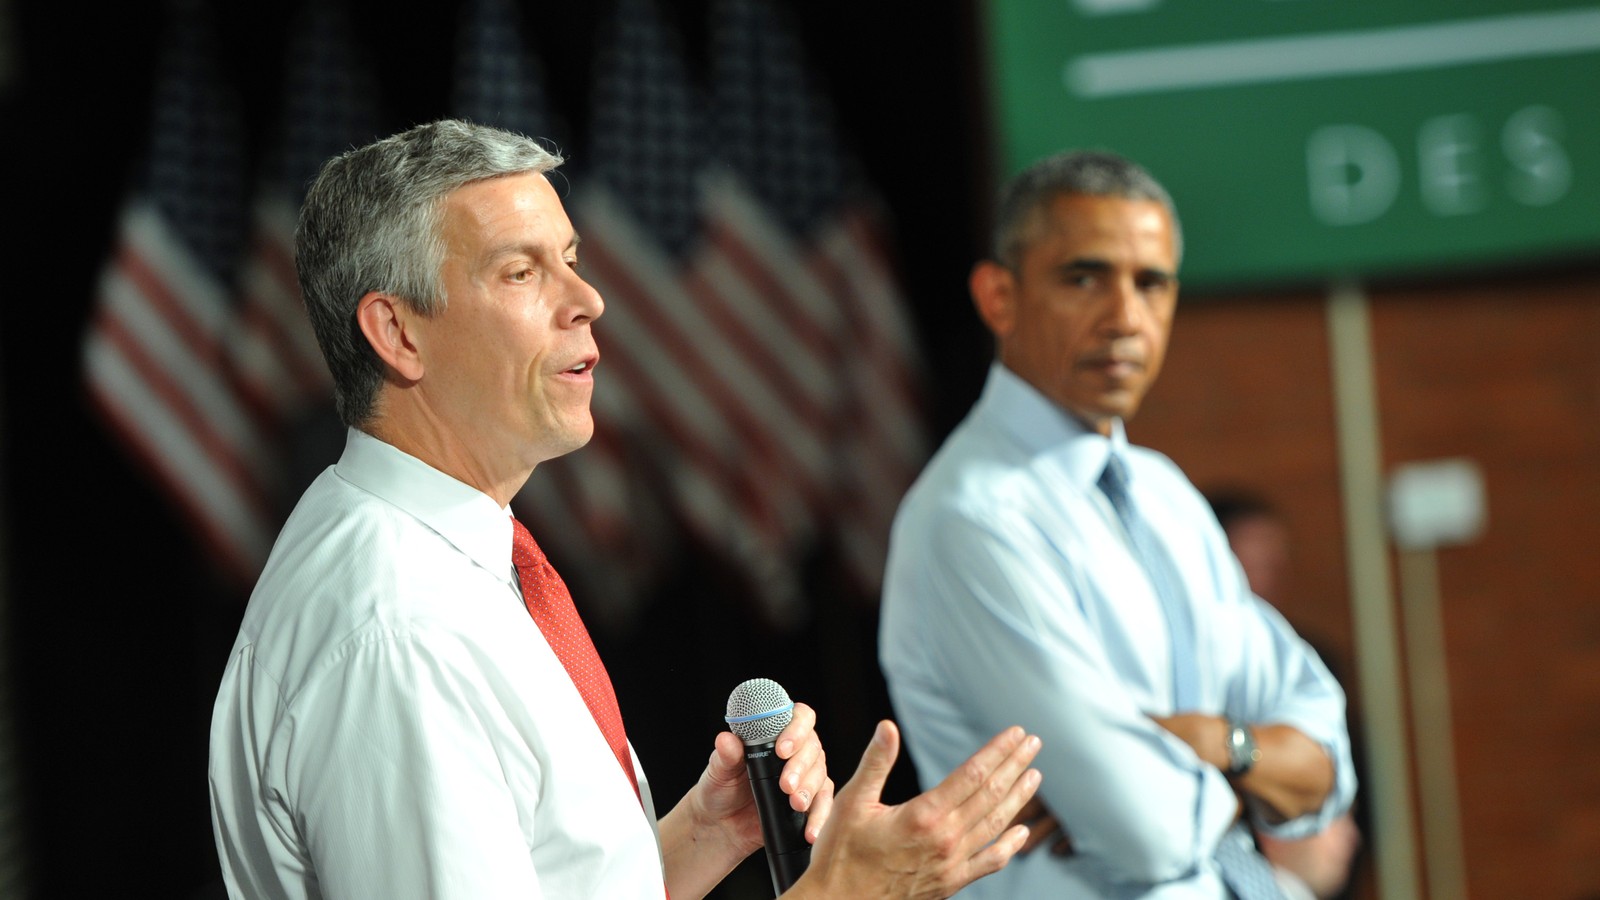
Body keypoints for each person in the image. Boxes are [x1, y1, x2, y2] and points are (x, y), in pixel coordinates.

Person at [207, 119, 1045, 900]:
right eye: (522, 271)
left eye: (570, 258)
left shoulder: (419, 548)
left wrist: (692, 842)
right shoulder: (399, 635)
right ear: (396, 333)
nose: (588, 299)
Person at [878, 150, 1356, 898]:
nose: (1126, 317)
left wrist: (1208, 743)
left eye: (1152, 283)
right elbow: (1146, 829)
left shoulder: (1167, 497)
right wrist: (1251, 765)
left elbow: (1329, 761)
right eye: (1083, 278)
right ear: (998, 295)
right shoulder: (970, 519)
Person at [1207, 491, 1363, 900]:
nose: (1264, 577)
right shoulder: (1188, 661)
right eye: (1250, 563)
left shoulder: (1311, 665)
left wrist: (1223, 746)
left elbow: (1332, 775)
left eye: (1273, 563)